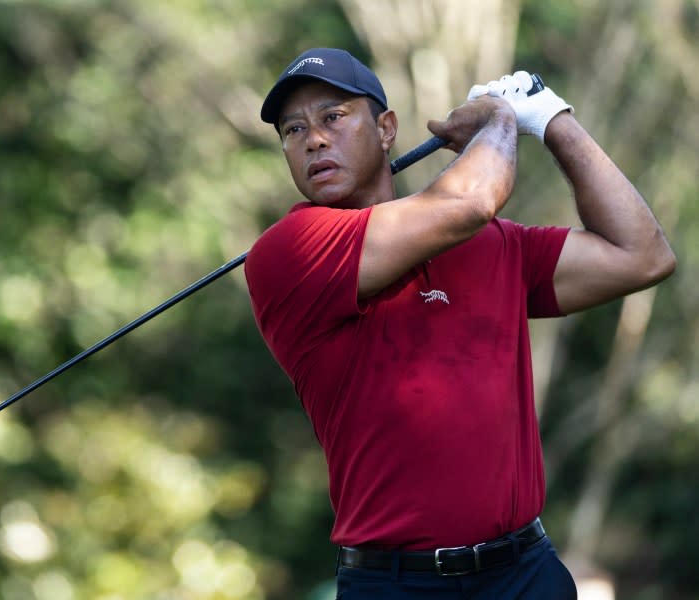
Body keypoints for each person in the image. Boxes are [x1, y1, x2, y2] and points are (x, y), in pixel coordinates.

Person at [244, 48, 676, 599]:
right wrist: (500, 118)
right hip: (396, 585)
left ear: (386, 129)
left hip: (527, 574)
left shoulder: (496, 246)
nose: (314, 140)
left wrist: (549, 119)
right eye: (293, 130)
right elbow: (472, 200)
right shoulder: (289, 252)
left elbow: (642, 255)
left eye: (333, 117)